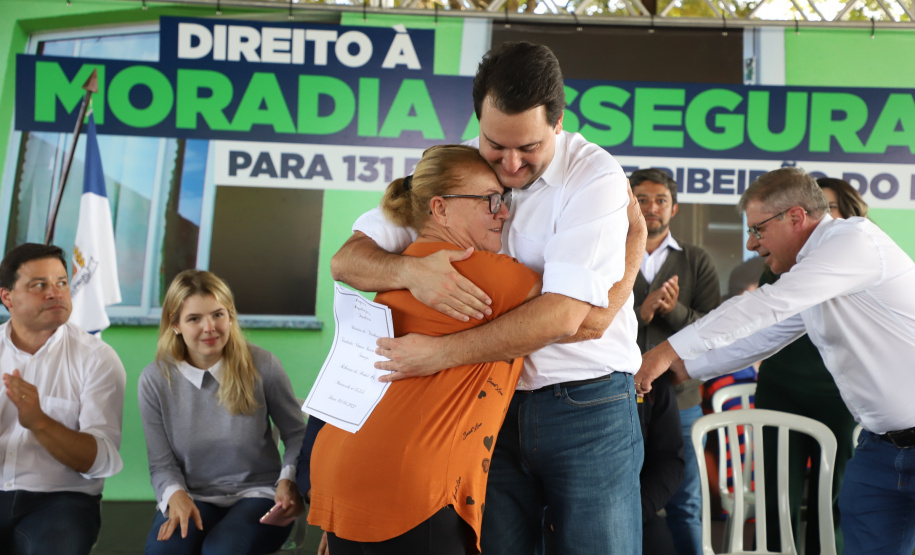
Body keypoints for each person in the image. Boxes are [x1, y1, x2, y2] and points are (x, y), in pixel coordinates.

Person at [330, 41, 646, 554]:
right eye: (496, 144)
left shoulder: (595, 177)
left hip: (585, 404)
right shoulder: (457, 163)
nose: (511, 164)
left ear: (559, 123)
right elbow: (346, 261)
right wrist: (412, 271)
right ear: (478, 120)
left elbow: (570, 318)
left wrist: (440, 353)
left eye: (530, 147)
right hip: (484, 406)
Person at [635, 166, 915, 555]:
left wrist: (666, 351)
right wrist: (686, 367)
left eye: (758, 229)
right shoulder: (816, 274)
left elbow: (764, 307)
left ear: (796, 217)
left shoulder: (853, 242)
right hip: (880, 450)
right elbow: (764, 336)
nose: (751, 244)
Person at [308, 144, 541, 555]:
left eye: (502, 200)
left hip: (340, 472)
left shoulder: (398, 270)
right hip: (408, 486)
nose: (503, 213)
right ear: (441, 208)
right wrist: (630, 232)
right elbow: (577, 311)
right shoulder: (489, 274)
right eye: (490, 201)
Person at [138, 269, 307, 555]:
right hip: (193, 495)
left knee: (222, 550)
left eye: (218, 314)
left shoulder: (262, 364)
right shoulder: (155, 380)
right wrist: (175, 495)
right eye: (194, 318)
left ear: (230, 316)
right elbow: (161, 463)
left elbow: (296, 433)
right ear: (175, 324)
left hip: (259, 494)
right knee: (164, 551)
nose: (210, 327)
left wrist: (288, 479)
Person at [752, 177, 866, 553]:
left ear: (847, 215)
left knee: (831, 498)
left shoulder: (865, 259)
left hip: (838, 395)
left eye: (831, 208)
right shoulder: (783, 261)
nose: (823, 217)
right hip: (780, 388)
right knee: (775, 494)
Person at [0, 243, 126, 555]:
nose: (55, 293)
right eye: (39, 285)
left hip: (61, 500)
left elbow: (102, 460)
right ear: (7, 297)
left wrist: (40, 422)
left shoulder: (97, 359)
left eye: (61, 283)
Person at [631, 168, 720, 555]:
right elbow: (586, 322)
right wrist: (640, 313)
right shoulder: (608, 254)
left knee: (686, 505)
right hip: (617, 400)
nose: (651, 208)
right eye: (642, 199)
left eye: (660, 200)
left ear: (675, 207)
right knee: (619, 501)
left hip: (680, 401)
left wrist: (675, 311)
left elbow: (716, 328)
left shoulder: (697, 260)